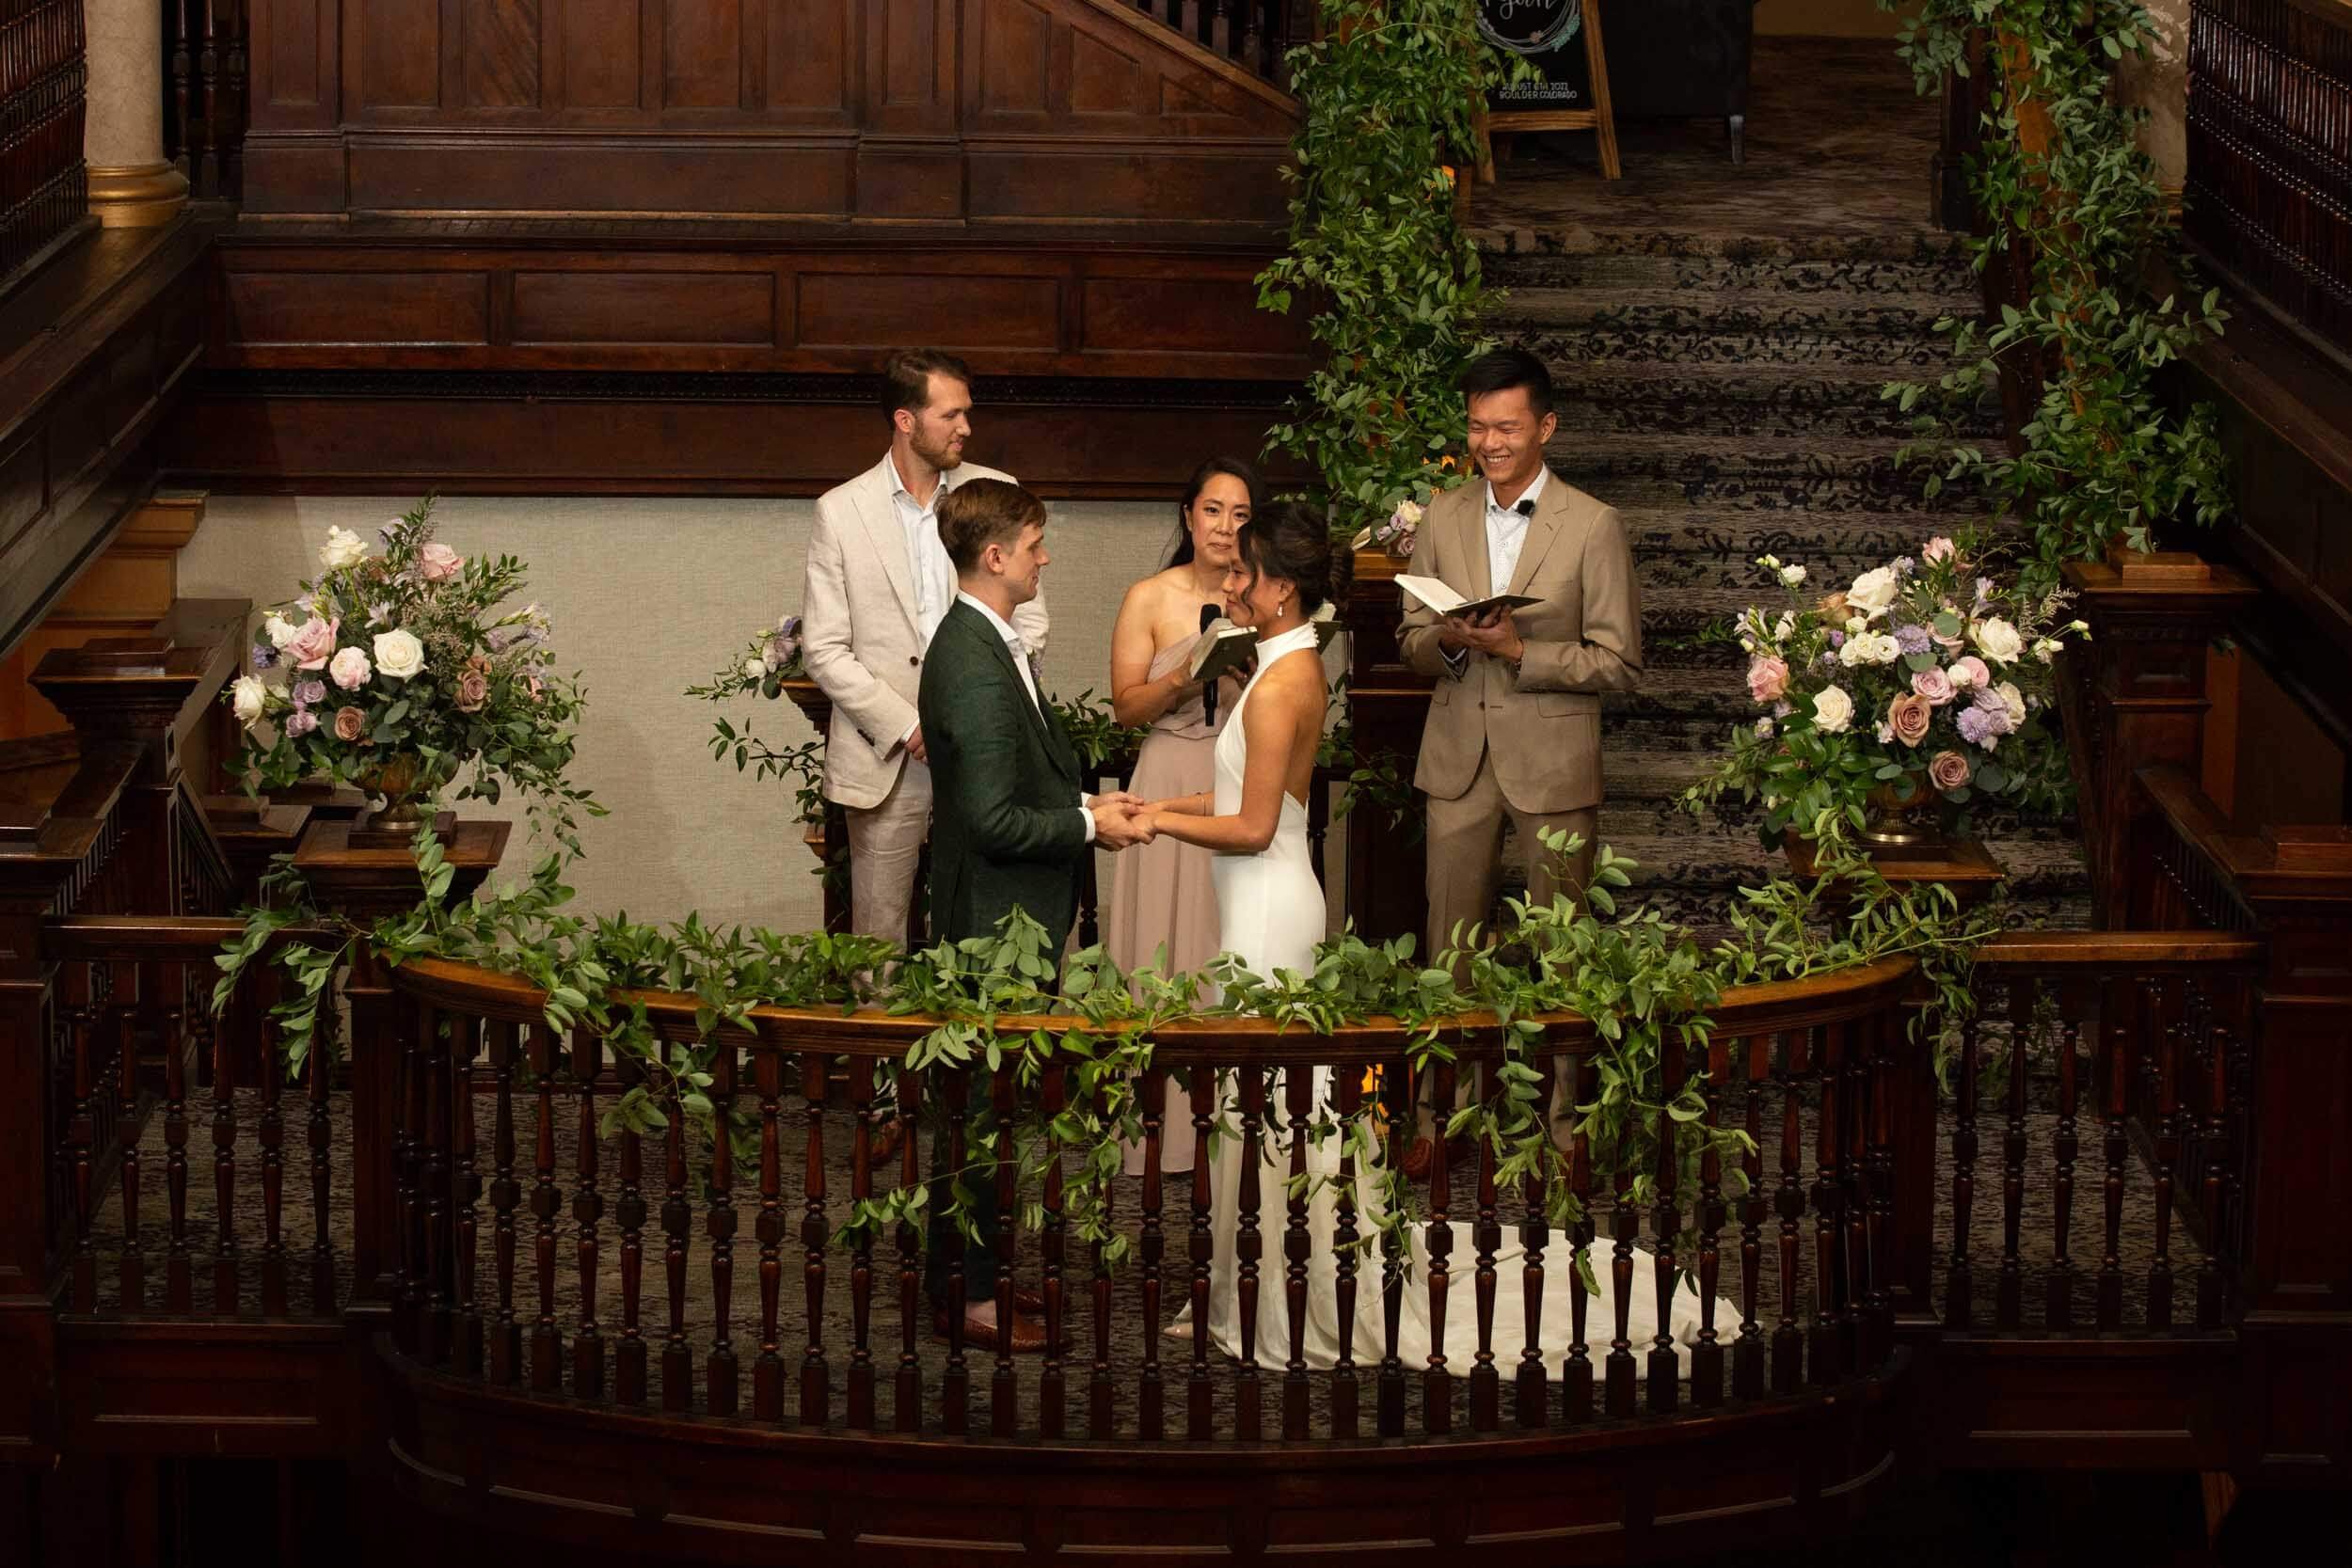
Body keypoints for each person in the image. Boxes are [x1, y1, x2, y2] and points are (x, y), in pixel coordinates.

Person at [1148, 506, 1718, 1372]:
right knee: (1251, 1105)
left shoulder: (1288, 678)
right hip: (1255, 907)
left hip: (1268, 914)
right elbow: (1238, 799)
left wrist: (1152, 819)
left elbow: (1257, 825)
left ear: (1281, 588)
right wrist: (1152, 808)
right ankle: (1245, 1277)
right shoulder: (1273, 662)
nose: (1226, 583)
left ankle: (1285, 1289)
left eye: (1240, 574)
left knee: (1271, 1107)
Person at [1395, 347, 1643, 1178]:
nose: (1489, 442)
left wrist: (1522, 648)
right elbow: (1409, 639)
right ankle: (1440, 1112)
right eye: (1476, 425)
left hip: (1553, 762)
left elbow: (1619, 662)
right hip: (1457, 757)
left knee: (1562, 949)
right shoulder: (1441, 515)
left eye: (1505, 426)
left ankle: (1565, 1126)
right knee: (1446, 948)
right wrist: (1456, 645)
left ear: (1545, 426)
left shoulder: (1593, 523)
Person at [918, 479, 1152, 1354]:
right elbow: (989, 819)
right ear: (996, 556)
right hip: (992, 925)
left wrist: (1094, 799)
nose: (1044, 556)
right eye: (1035, 543)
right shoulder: (972, 656)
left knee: (985, 1109)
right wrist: (1091, 824)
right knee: (980, 1112)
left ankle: (969, 1285)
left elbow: (1025, 782)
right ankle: (971, 1303)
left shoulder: (988, 641)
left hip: (1006, 916)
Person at [800, 349, 1046, 949]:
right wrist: (911, 725)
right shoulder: (840, 510)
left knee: (990, 922)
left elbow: (1031, 620)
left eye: (967, 413)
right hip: (892, 756)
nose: (966, 427)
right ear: (906, 421)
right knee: (877, 940)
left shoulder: (998, 493)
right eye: (951, 414)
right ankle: (879, 1043)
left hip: (987, 745)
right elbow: (824, 648)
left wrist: (972, 709)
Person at [1103, 457, 1262, 1178]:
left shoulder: (1259, 594)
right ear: (1188, 515)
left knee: (1223, 940)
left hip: (1234, 774)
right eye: (1214, 511)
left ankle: (1225, 1134)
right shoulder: (1149, 595)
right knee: (1162, 944)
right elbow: (1125, 707)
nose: (1226, 527)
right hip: (1166, 773)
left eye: (1240, 516)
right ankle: (1156, 1132)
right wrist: (1185, 674)